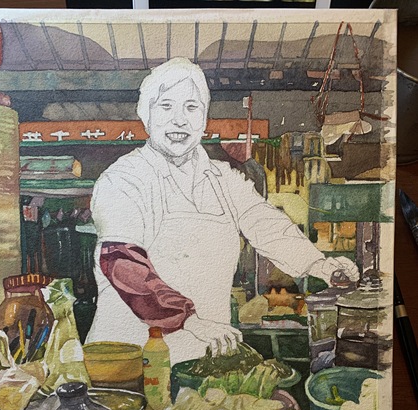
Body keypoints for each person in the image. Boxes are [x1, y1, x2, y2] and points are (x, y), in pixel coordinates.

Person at [86, 57, 359, 365]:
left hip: (203, 357)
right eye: (166, 106)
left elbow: (267, 225)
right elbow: (121, 262)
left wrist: (320, 266)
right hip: (128, 359)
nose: (179, 120)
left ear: (204, 118)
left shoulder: (223, 179)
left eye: (191, 107)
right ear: (145, 115)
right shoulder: (123, 178)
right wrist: (187, 319)